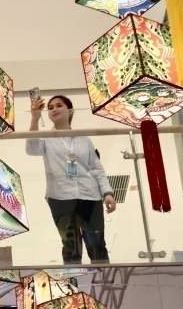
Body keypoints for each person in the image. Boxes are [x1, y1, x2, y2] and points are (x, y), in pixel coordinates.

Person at [27, 94, 117, 264]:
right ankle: (74, 280)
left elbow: (97, 168)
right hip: (60, 197)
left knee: (97, 244)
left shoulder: (84, 139)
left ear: (70, 110)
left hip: (90, 196)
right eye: (50, 107)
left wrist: (107, 193)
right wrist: (35, 118)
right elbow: (32, 149)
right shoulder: (45, 138)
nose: (54, 109)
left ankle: (103, 277)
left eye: (59, 105)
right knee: (71, 247)